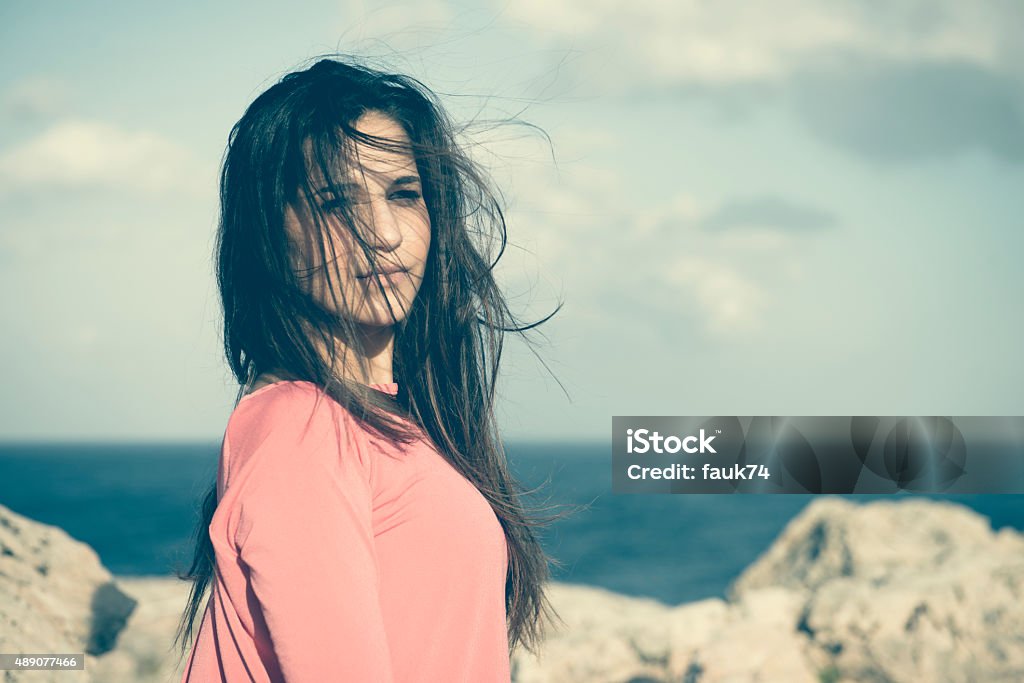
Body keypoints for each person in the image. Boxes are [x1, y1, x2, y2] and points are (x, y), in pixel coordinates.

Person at [172, 54, 570, 681]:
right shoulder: (300, 428)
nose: (382, 232)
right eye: (335, 204)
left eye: (403, 194)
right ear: (272, 235)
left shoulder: (388, 422)